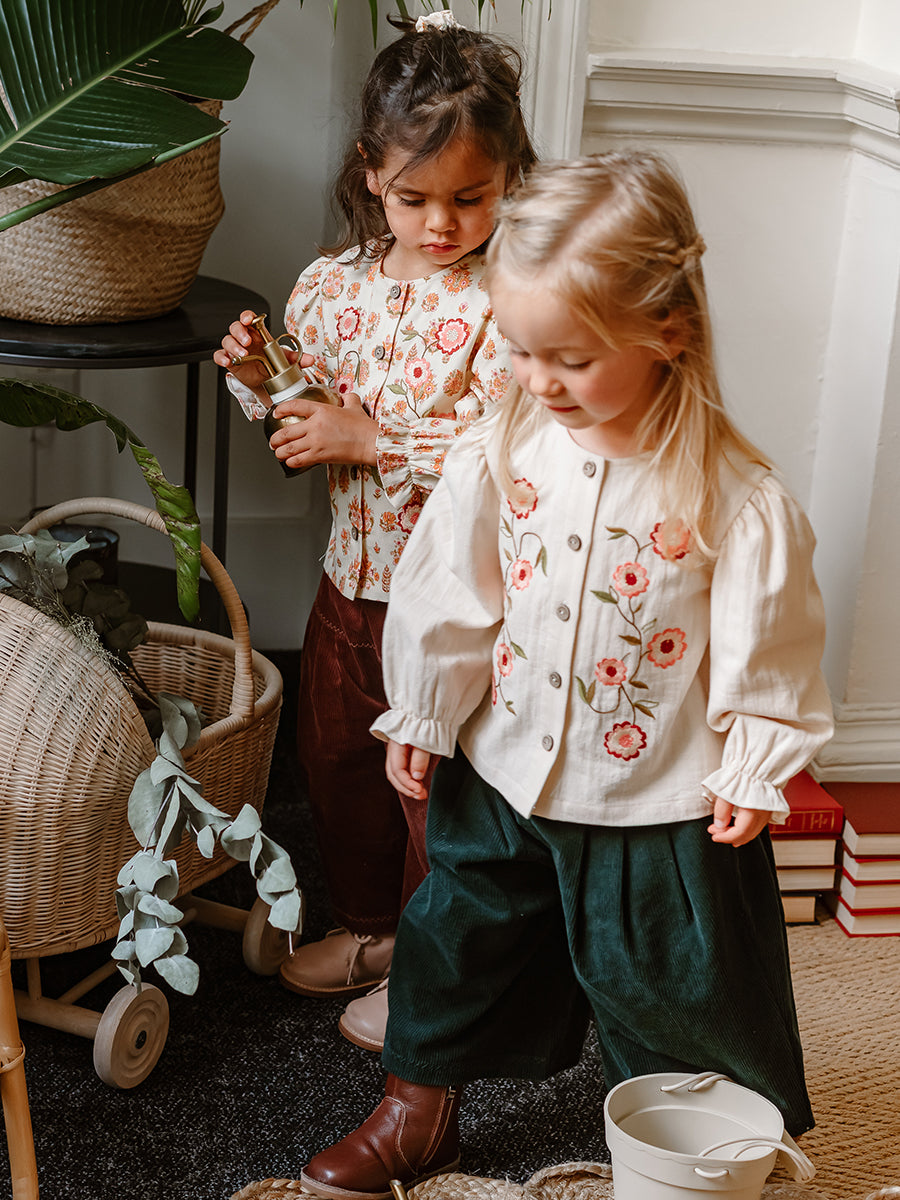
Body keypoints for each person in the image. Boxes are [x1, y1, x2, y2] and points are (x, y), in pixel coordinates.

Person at [298, 151, 835, 1200]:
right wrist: (428, 708)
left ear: (667, 331)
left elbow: (769, 646)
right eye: (519, 349)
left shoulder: (734, 496)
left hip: (653, 803)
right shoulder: (505, 446)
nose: (539, 381)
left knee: (675, 989)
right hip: (506, 772)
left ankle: (699, 1153)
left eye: (573, 359)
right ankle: (417, 1111)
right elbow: (457, 591)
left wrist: (752, 761)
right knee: (453, 940)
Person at [215, 11, 536, 1048]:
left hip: (454, 601)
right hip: (349, 582)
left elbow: (516, 452)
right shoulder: (332, 285)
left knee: (430, 789)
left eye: (470, 198)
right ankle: (372, 930)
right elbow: (305, 413)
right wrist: (262, 376)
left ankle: (434, 966)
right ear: (370, 174)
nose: (441, 223)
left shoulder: (511, 301)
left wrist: (374, 437)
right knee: (339, 765)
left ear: (509, 178)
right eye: (414, 198)